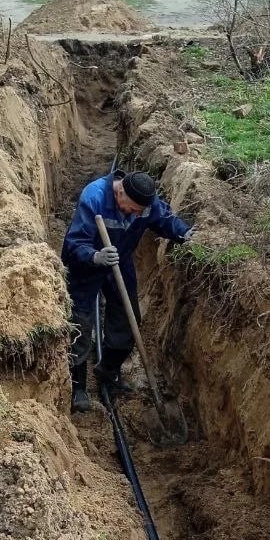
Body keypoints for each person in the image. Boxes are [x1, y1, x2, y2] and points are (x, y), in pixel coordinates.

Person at [61, 169, 193, 413]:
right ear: (119, 190)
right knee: (79, 323)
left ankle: (108, 371)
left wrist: (185, 232)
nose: (134, 214)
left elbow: (164, 219)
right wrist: (95, 256)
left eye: (138, 212)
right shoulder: (95, 197)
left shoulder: (144, 203)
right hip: (86, 264)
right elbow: (75, 242)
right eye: (130, 209)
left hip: (119, 261)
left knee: (127, 318)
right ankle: (77, 386)